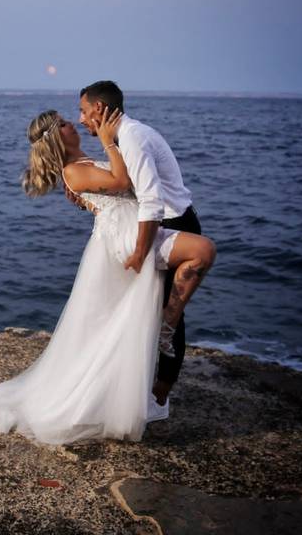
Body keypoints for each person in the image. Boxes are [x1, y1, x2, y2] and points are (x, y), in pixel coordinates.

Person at [0, 107, 215, 444]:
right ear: (57, 138)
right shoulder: (73, 172)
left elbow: (119, 190)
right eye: (63, 123)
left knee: (122, 321)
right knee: (202, 251)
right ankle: (168, 327)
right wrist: (109, 142)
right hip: (127, 239)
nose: (72, 123)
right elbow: (122, 181)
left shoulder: (82, 165)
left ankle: (147, 374)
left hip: (134, 229)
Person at [75, 80, 206, 422]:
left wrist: (139, 251)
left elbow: (149, 201)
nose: (81, 119)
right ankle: (145, 393)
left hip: (173, 225)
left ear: (100, 109)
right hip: (162, 224)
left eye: (84, 111)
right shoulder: (122, 138)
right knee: (152, 312)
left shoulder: (131, 138)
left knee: (169, 321)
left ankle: (158, 400)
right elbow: (122, 187)